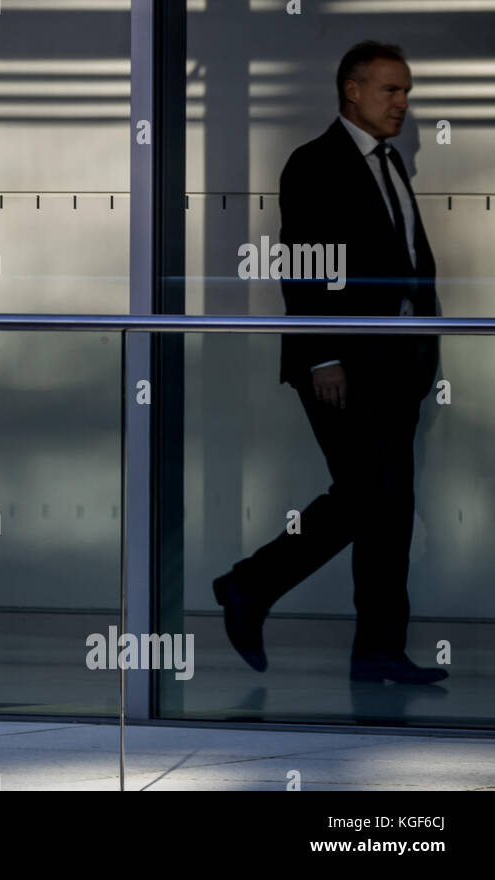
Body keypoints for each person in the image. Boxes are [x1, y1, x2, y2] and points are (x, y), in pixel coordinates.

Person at [214, 41, 445, 685]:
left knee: (389, 507)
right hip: (342, 366)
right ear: (352, 90)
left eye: (406, 92)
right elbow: (306, 268)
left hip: (398, 369)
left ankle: (378, 652)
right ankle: (249, 585)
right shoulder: (315, 162)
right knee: (371, 497)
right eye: (390, 90)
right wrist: (322, 354)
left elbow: (408, 269)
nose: (403, 104)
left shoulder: (392, 165)